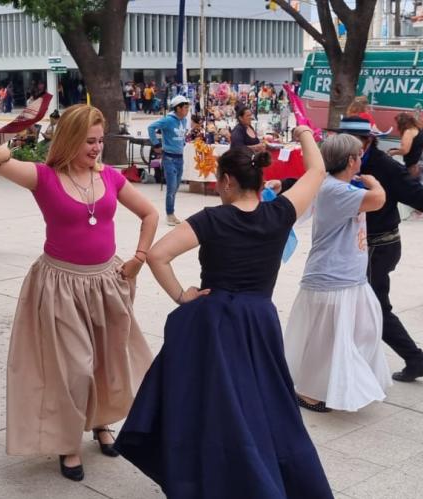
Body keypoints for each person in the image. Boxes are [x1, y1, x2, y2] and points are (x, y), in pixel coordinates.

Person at [114, 127, 334, 498]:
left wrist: (182, 296)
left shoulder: (212, 219)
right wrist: (302, 133)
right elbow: (317, 172)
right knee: (264, 400)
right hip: (259, 318)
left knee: (211, 400)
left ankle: (210, 470)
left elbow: (157, 255)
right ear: (260, 178)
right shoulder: (280, 212)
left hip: (214, 321)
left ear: (228, 181)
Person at [0, 104, 157, 482]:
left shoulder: (109, 177)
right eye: (89, 141)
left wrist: (139, 257)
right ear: (71, 139)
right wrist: (0, 156)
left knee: (106, 363)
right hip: (61, 285)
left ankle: (101, 423)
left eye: (99, 140)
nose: (96, 148)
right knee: (74, 369)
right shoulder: (43, 176)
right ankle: (68, 441)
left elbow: (150, 214)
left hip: (107, 284)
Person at [274, 117, 423, 383]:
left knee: (372, 305)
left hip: (378, 244)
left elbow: (415, 192)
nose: (349, 147)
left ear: (367, 142)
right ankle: (359, 359)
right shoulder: (341, 163)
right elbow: (319, 181)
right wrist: (284, 185)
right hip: (358, 245)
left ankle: (413, 358)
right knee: (361, 306)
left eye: (355, 143)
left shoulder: (382, 165)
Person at [284, 133, 391, 413]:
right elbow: (378, 199)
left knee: (363, 332)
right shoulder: (335, 190)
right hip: (331, 279)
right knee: (326, 342)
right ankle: (309, 392)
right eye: (359, 155)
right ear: (350, 160)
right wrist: (375, 183)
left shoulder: (339, 187)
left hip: (349, 277)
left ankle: (341, 384)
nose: (362, 159)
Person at [148, 95, 191, 226]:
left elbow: (181, 136)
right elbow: (151, 128)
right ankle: (170, 214)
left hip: (179, 158)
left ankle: (171, 212)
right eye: (185, 108)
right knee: (171, 187)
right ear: (177, 108)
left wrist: (183, 143)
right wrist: (156, 144)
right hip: (169, 158)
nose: (187, 110)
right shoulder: (168, 120)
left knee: (176, 186)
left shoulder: (183, 121)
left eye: (188, 108)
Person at [389, 112, 423, 181]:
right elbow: (415, 146)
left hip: (415, 165)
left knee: (412, 186)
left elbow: (405, 150)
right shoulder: (420, 129)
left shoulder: (409, 131)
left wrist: (392, 152)